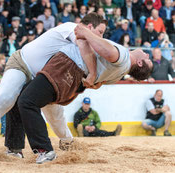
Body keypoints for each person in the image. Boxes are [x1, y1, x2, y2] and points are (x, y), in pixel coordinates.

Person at [0, 13, 107, 158]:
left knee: (54, 111)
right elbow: (85, 48)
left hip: (45, 78)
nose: (102, 36)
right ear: (90, 27)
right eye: (100, 32)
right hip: (22, 64)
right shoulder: (72, 28)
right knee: (6, 98)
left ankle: (67, 142)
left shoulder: (84, 47)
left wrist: (93, 79)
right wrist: (94, 74)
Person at [14, 23, 153, 163]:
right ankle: (14, 147)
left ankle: (45, 151)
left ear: (140, 63)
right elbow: (96, 84)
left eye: (147, 58)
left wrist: (86, 32)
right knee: (22, 97)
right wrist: (91, 73)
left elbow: (109, 53)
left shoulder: (124, 56)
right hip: (73, 81)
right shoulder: (119, 74)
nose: (147, 54)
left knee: (27, 101)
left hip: (66, 68)